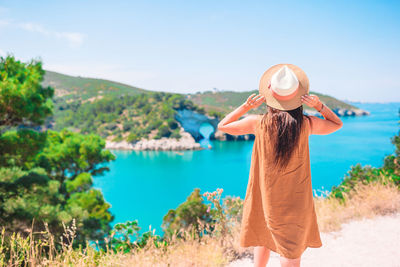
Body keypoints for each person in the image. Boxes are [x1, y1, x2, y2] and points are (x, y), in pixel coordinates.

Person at [217, 64, 343, 267]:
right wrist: (320, 107)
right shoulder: (307, 124)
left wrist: (245, 107)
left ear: (270, 96)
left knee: (263, 234)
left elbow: (222, 126)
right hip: (296, 200)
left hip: (265, 197)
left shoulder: (257, 123)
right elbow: (337, 124)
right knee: (291, 251)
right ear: (298, 96)